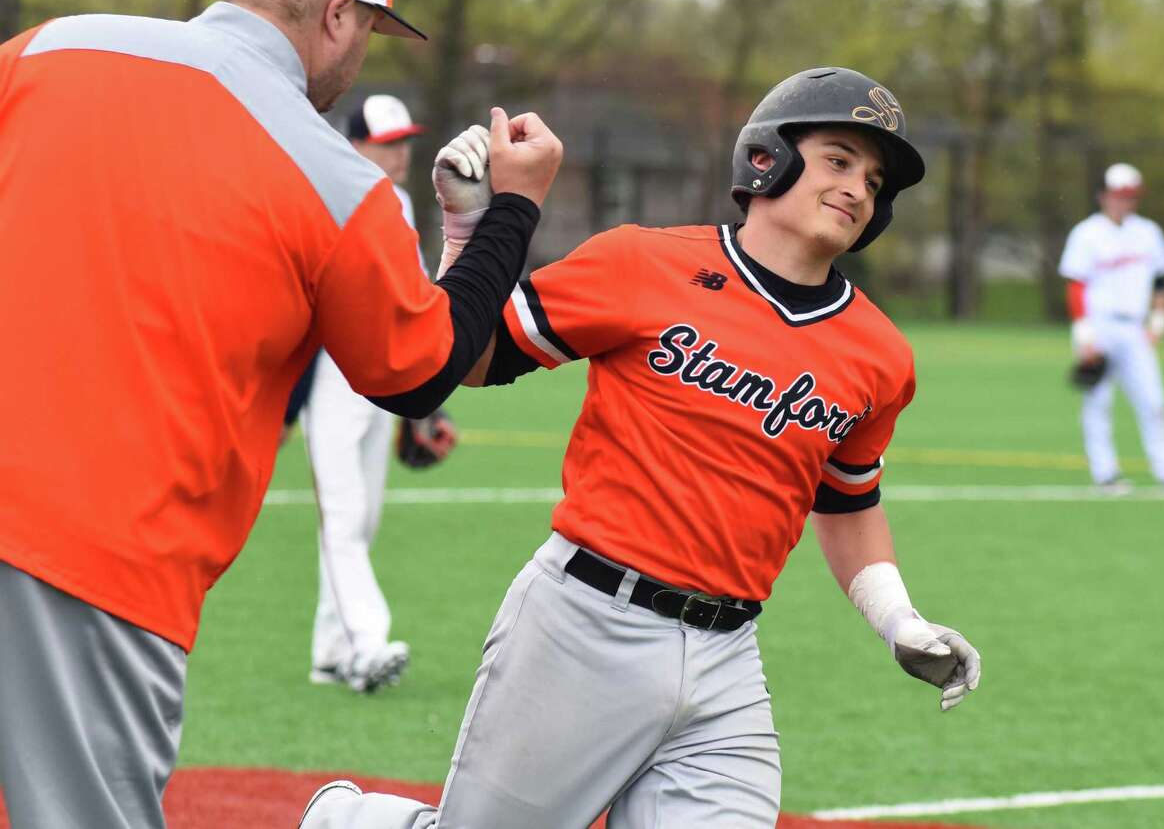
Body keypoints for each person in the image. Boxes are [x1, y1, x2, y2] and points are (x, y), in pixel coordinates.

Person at [0, 0, 561, 829]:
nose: (359, 58)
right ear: (338, 13)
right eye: (369, 32)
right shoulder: (332, 176)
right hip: (96, 558)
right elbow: (420, 371)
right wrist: (504, 215)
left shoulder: (49, 48)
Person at [298, 67, 982, 829]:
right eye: (839, 159)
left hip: (728, 658)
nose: (859, 187)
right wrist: (466, 234)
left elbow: (849, 500)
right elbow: (469, 355)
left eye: (876, 178)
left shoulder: (879, 354)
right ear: (767, 160)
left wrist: (899, 618)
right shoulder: (639, 261)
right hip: (584, 624)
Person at [293, 94, 460, 693]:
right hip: (331, 369)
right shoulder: (330, 193)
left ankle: (330, 652)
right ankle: (368, 642)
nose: (398, 153)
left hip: (380, 373)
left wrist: (427, 398)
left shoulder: (403, 202)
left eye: (403, 141)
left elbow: (410, 297)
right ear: (356, 143)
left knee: (362, 516)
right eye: (386, 143)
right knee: (341, 513)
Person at [1058, 162, 1164, 495]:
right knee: (1098, 402)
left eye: (1130, 196)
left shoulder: (1148, 232)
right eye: (1119, 195)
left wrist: (1160, 319)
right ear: (1103, 195)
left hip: (1135, 328)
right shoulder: (1087, 233)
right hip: (1100, 327)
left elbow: (1162, 281)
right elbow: (1076, 285)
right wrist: (1084, 332)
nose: (1125, 202)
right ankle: (1105, 473)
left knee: (1153, 400)